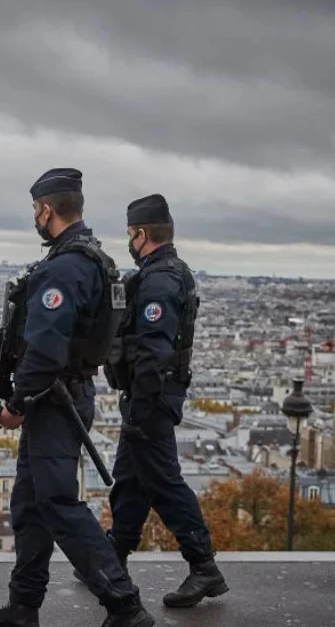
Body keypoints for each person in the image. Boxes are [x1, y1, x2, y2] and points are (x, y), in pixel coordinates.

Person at [0, 169, 155, 627]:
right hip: (65, 395)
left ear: (46, 210)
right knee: (30, 506)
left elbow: (46, 350)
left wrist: (14, 404)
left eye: (36, 210)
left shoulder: (62, 268)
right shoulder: (95, 259)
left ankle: (124, 603)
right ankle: (23, 606)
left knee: (57, 505)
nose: (36, 217)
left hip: (53, 401)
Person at [78, 193, 229, 608]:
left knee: (163, 481)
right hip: (147, 396)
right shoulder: (162, 273)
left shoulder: (160, 280)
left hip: (152, 397)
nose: (129, 242)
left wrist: (141, 411)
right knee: (130, 479)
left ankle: (203, 567)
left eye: (130, 235)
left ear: (143, 235)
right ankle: (114, 556)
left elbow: (152, 352)